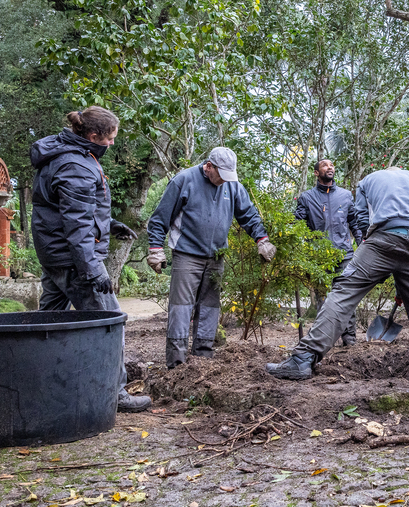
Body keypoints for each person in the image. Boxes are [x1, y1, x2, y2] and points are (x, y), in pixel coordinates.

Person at [266, 167, 409, 384]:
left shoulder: (368, 180)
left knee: (344, 293)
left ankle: (303, 359)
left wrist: (371, 260)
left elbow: (362, 221)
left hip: (382, 239)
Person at [30, 106, 150, 412]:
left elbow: (68, 210)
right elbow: (77, 225)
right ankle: (115, 393)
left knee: (48, 323)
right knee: (110, 324)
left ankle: (41, 385)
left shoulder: (63, 153)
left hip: (54, 254)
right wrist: (93, 270)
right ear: (93, 136)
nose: (112, 143)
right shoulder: (76, 165)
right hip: (75, 261)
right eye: (109, 138)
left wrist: (109, 224)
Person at [146, 147, 276, 369]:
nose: (225, 180)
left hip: (216, 256)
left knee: (209, 309)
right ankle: (176, 365)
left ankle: (202, 361)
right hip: (187, 255)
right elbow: (160, 217)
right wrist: (156, 249)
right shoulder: (184, 180)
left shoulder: (232, 185)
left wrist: (261, 239)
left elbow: (248, 215)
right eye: (221, 175)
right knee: (181, 309)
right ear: (208, 167)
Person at [294, 159, 361, 345]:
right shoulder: (306, 198)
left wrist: (363, 245)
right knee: (323, 300)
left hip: (344, 255)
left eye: (331, 165)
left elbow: (354, 223)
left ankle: (349, 339)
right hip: (319, 257)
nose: (329, 167)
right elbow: (298, 224)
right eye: (324, 165)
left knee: (347, 296)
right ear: (316, 173)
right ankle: (324, 340)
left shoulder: (346, 196)